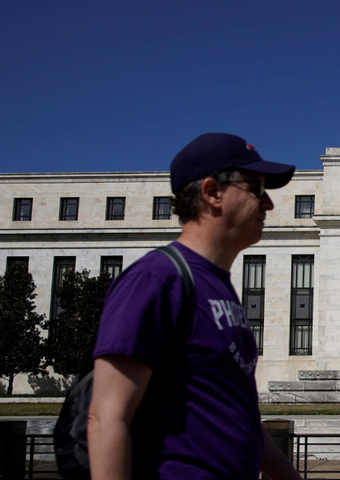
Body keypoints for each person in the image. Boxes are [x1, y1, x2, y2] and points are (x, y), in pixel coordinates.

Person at [86, 133, 302, 480]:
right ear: (212, 192)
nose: (269, 205)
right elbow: (107, 417)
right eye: (257, 189)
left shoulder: (219, 286)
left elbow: (237, 410)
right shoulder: (155, 280)